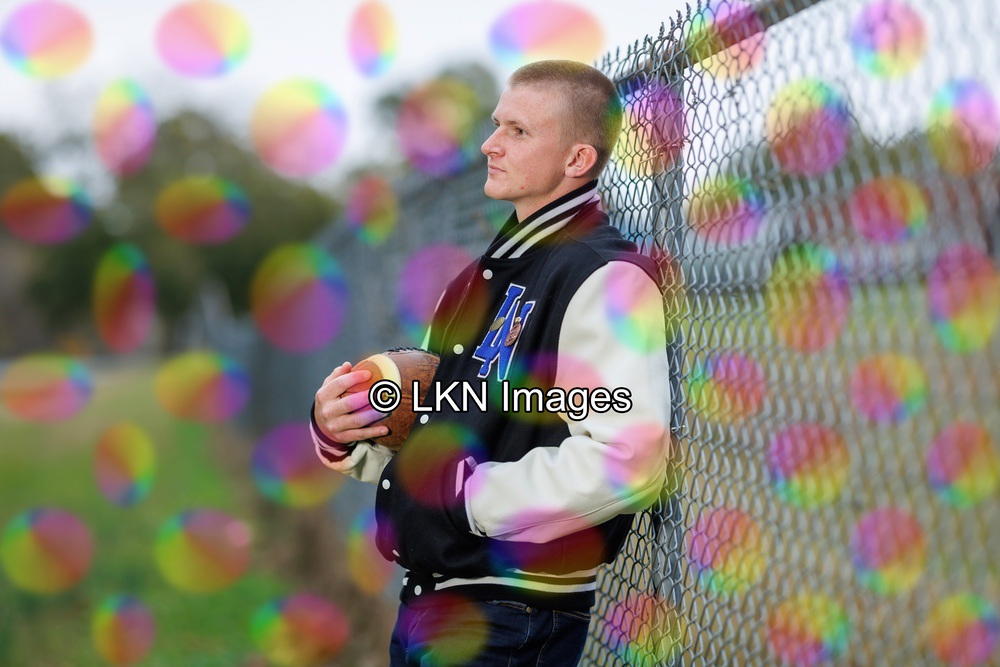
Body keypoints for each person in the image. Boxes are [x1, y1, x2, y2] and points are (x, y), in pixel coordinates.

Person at [311, 59, 671, 666]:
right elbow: (439, 434)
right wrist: (347, 431)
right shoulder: (478, 280)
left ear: (577, 159)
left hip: (510, 613)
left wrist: (469, 498)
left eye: (518, 131)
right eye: (497, 124)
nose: (489, 143)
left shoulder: (604, 276)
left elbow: (627, 459)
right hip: (428, 601)